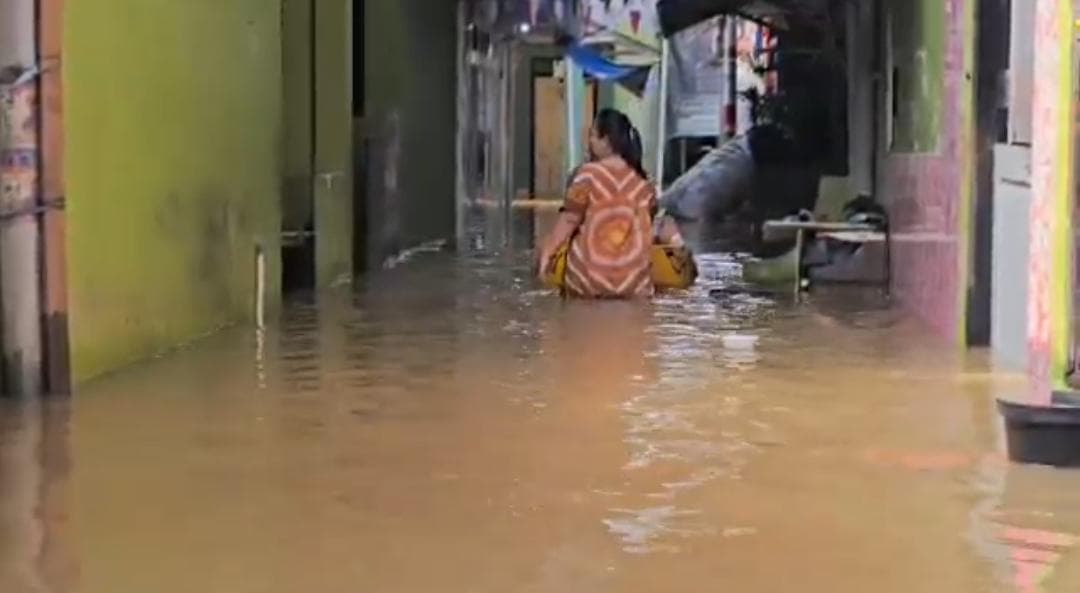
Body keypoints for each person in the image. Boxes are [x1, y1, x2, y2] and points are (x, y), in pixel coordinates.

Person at [538, 108, 678, 298]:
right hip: (634, 285)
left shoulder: (587, 175)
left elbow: (569, 221)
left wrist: (546, 254)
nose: (590, 142)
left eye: (593, 136)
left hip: (588, 281)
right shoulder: (644, 185)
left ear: (606, 140)